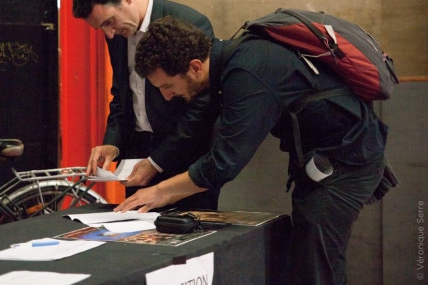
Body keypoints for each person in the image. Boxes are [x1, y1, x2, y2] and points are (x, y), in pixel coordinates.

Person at [114, 16, 388, 284]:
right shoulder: (234, 60)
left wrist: (158, 192)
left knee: (313, 266)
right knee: (320, 259)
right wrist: (156, 165)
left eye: (167, 86)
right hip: (326, 159)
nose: (166, 96)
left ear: (195, 67)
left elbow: (224, 164)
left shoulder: (247, 72)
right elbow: (204, 125)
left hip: (347, 160)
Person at [72, 0, 219, 209]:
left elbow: (203, 105)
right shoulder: (117, 33)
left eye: (109, 22)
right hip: (137, 154)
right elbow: (122, 92)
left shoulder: (189, 22)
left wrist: (158, 161)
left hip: (183, 153)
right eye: (101, 29)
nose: (109, 33)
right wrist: (113, 143)